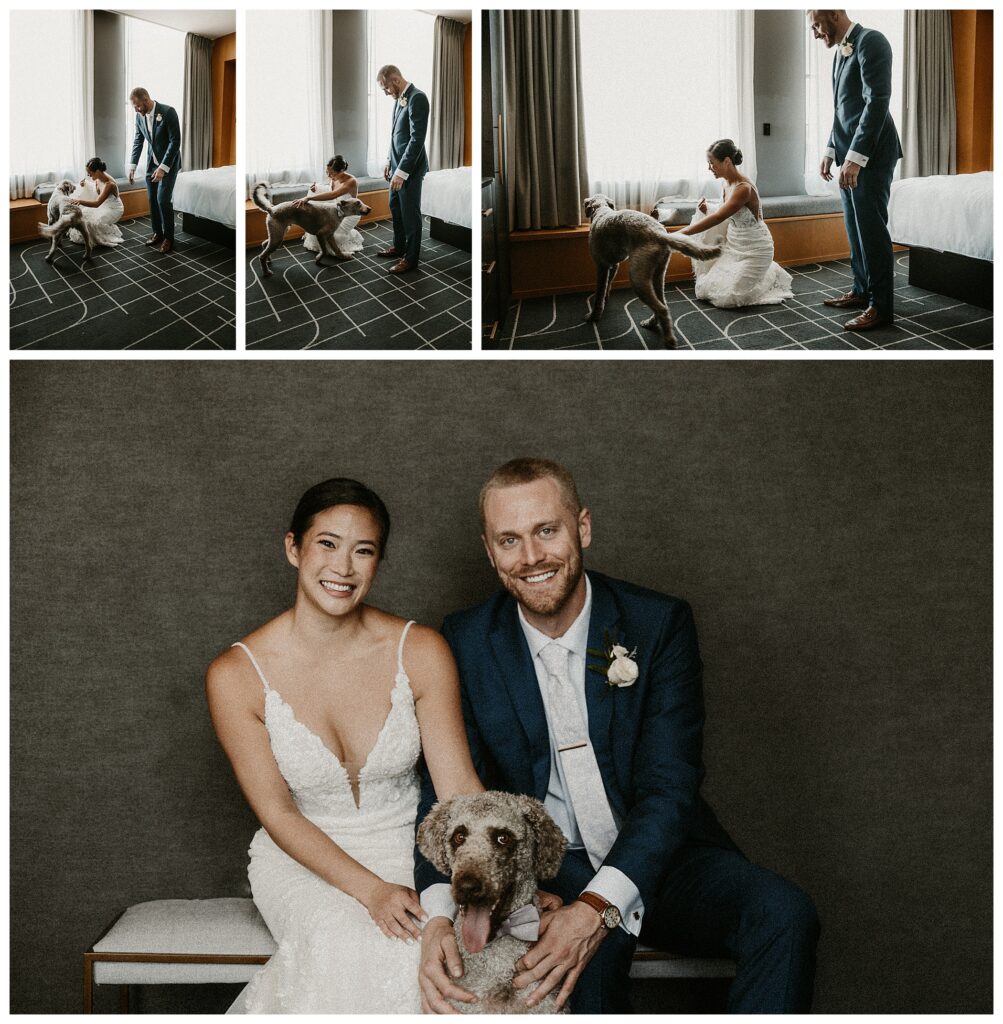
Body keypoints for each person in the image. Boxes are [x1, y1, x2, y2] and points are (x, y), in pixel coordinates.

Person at [416, 458, 820, 1014]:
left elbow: (670, 785)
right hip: (552, 870)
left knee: (784, 913)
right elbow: (444, 789)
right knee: (572, 966)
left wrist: (597, 906)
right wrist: (440, 911)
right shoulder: (464, 640)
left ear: (582, 527)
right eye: (509, 540)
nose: (531, 557)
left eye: (546, 531)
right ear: (490, 553)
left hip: (665, 855)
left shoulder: (657, 624)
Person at [206, 478, 483, 1013]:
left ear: (379, 562)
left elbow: (460, 793)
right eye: (327, 544)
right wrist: (372, 891)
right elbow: (278, 813)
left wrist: (487, 882)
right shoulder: (235, 675)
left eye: (364, 551)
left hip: (412, 852)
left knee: (446, 954)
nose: (344, 568)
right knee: (354, 944)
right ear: (294, 548)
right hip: (301, 861)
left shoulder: (421, 650)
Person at [809, 10, 902, 332]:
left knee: (872, 231)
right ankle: (862, 291)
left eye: (817, 25)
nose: (816, 34)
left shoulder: (871, 41)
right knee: (855, 228)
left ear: (834, 14)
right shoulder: (840, 53)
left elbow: (877, 100)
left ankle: (881, 307)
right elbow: (842, 110)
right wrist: (830, 149)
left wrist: (856, 157)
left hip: (872, 156)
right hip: (849, 155)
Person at [678, 139, 793, 309]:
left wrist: (682, 233)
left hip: (756, 249)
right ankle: (761, 273)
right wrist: (707, 207)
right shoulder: (726, 184)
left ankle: (768, 273)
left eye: (712, 163)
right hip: (734, 246)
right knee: (704, 290)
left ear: (727, 161)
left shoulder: (743, 188)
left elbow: (719, 217)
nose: (709, 168)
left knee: (728, 298)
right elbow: (725, 210)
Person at [375, 64, 428, 275]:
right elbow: (395, 136)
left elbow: (417, 139)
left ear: (395, 80)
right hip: (396, 166)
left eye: (385, 88)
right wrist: (390, 161)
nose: (385, 92)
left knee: (410, 214)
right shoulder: (399, 100)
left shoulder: (418, 98)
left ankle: (411, 258)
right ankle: (399, 246)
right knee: (395, 207)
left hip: (411, 170)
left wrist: (402, 172)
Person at [127, 87, 182, 254]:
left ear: (146, 100)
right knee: (152, 199)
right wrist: (132, 166)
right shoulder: (139, 116)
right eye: (133, 107)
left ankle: (169, 238)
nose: (136, 109)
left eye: (137, 106)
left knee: (163, 200)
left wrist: (163, 168)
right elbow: (138, 140)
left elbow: (175, 141)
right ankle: (157, 233)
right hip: (152, 164)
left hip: (169, 164)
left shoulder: (168, 112)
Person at [294, 155, 365, 257]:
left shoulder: (351, 181)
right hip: (338, 210)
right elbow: (330, 190)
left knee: (331, 235)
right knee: (322, 227)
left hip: (350, 213)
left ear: (341, 171)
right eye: (327, 172)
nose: (329, 176)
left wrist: (308, 198)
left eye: (331, 173)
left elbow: (333, 194)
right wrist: (316, 189)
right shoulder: (334, 177)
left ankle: (338, 249)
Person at [67, 157, 124, 248]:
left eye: (89, 172)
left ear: (97, 171)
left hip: (114, 209)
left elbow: (97, 203)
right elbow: (96, 190)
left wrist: (80, 201)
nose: (88, 175)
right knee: (83, 215)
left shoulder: (109, 184)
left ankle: (105, 232)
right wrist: (85, 185)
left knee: (94, 223)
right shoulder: (98, 178)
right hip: (103, 205)